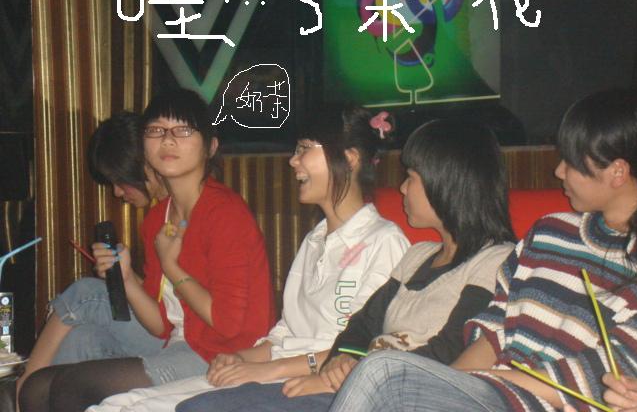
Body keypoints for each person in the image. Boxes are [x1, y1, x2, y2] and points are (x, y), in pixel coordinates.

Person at [324, 89, 637, 412]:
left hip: (540, 402)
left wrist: (487, 380)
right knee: (383, 375)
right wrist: (448, 386)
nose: (558, 171)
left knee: (383, 371)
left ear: (617, 172)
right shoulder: (550, 232)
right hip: (490, 394)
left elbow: (609, 375)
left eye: (571, 162)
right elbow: (495, 324)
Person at [176, 119, 517, 412]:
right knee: (198, 406)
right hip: (356, 380)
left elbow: (453, 347)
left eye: (411, 177)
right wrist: (341, 360)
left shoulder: (495, 260)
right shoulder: (417, 256)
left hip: (399, 393)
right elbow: (362, 323)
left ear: (448, 182)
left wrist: (350, 373)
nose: (401, 188)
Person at [86, 106, 409, 412]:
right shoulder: (315, 240)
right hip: (276, 372)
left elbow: (366, 346)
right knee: (116, 406)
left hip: (314, 385)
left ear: (349, 159)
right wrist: (242, 358)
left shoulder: (383, 241)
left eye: (304, 149)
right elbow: (286, 333)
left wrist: (267, 369)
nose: (293, 161)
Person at [19, 89, 275, 412]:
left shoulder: (226, 213)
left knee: (72, 386)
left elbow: (228, 324)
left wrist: (172, 266)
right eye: (156, 130)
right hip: (180, 343)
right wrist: (126, 277)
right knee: (52, 372)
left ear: (210, 147)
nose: (167, 140)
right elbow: (160, 325)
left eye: (183, 130)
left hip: (224, 355)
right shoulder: (157, 219)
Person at [16, 111, 168, 397]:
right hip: (160, 328)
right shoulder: (157, 216)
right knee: (82, 338)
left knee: (85, 294)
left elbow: (173, 314)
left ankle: (25, 390)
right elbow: (157, 295)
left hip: (183, 340)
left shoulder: (179, 213)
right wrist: (122, 274)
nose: (117, 192)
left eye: (119, 181)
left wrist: (125, 279)